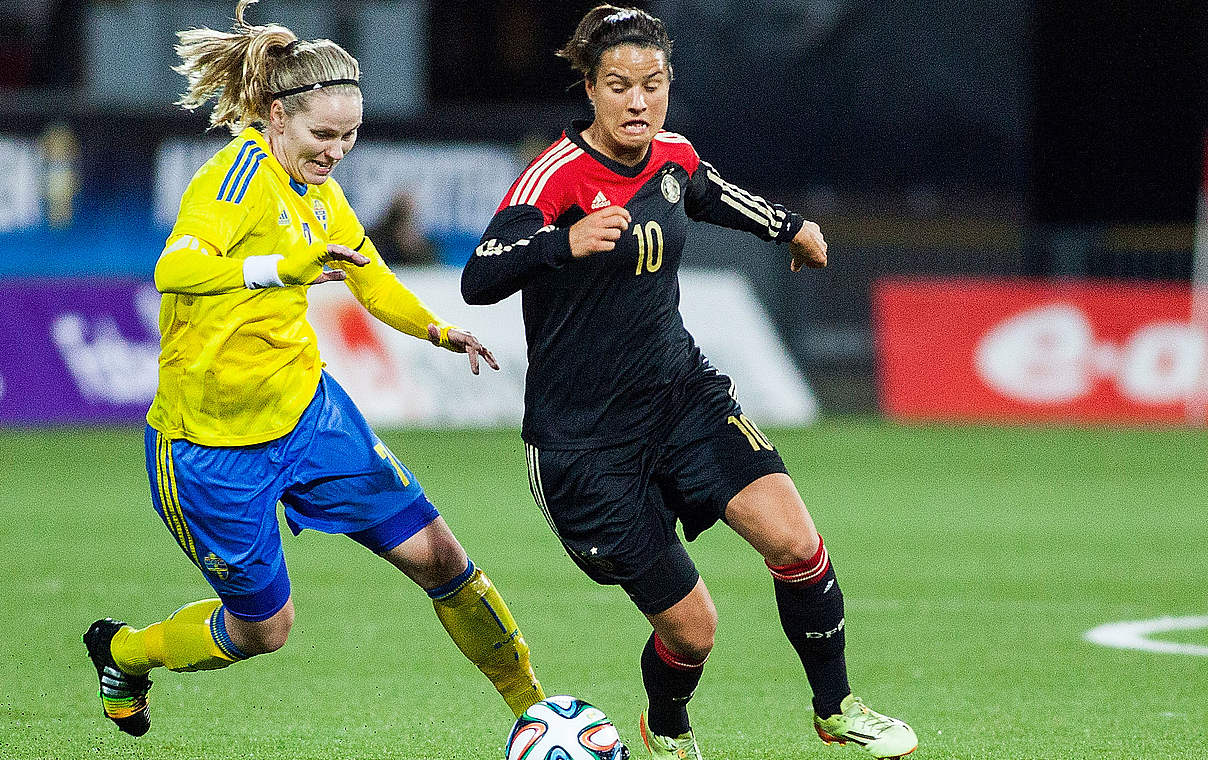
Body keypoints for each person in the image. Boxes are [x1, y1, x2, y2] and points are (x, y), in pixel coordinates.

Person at [461, 6, 917, 760]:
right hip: (585, 447)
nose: (637, 102)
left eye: (653, 84)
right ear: (590, 88)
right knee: (693, 630)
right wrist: (562, 242)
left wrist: (790, 226)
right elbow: (481, 276)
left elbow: (705, 191)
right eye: (618, 86)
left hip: (682, 398)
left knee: (797, 543)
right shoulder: (556, 177)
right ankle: (667, 727)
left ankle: (837, 709)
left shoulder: (670, 153)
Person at [83, 0, 545, 738]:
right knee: (264, 630)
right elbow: (177, 269)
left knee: (441, 555)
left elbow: (368, 275)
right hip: (209, 450)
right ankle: (125, 652)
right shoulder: (233, 180)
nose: (336, 152)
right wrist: (283, 268)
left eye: (350, 136)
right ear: (274, 116)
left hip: (308, 415)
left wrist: (435, 328)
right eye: (322, 134)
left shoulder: (320, 191)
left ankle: (536, 715)